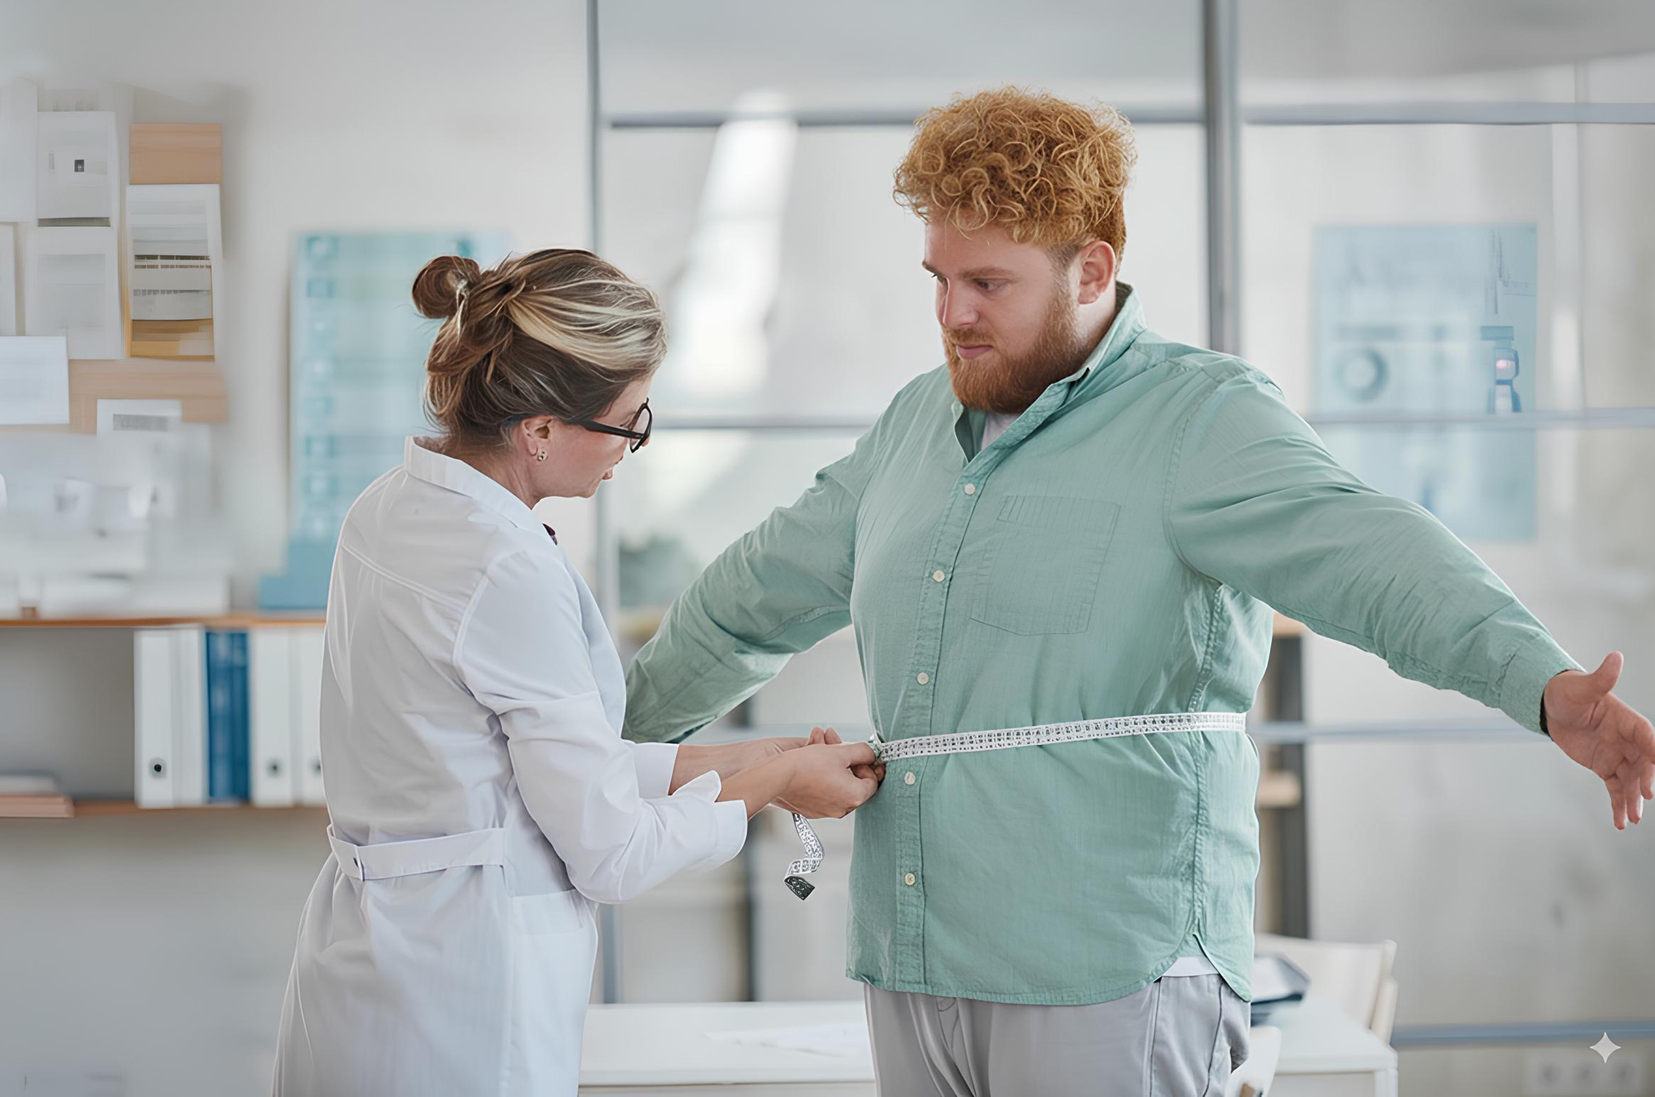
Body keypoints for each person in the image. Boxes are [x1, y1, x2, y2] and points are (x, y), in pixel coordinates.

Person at [623, 88, 1655, 1095]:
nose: (951, 314)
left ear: (1094, 268)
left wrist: (1538, 679)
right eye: (938, 278)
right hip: (912, 956)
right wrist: (591, 741)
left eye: (988, 283)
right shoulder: (912, 426)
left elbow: (1375, 557)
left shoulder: (1199, 418)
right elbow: (750, 596)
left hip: (1110, 962)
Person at [271, 248, 882, 1095]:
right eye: (626, 422)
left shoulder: (389, 509)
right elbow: (612, 853)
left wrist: (757, 755)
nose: (630, 446)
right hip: (462, 996)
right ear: (541, 429)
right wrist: (776, 784)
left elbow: (534, 766)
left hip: (367, 962)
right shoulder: (504, 568)